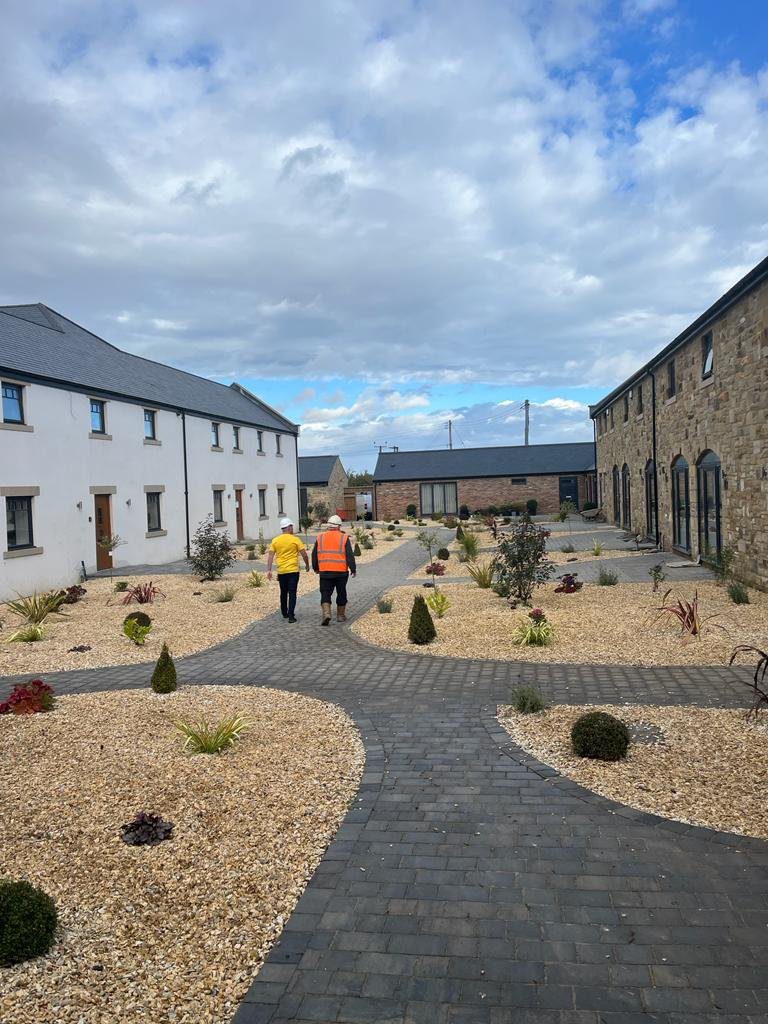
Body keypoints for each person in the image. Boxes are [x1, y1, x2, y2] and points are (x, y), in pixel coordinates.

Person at [312, 514, 356, 626]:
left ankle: (326, 613)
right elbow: (349, 555)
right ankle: (340, 616)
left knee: (325, 592)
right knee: (341, 592)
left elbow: (314, 554)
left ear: (329, 526)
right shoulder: (344, 538)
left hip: (325, 571)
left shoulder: (320, 537)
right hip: (341, 572)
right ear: (338, 526)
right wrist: (353, 569)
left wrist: (316, 568)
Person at [267, 518, 309, 623]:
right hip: (293, 570)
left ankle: (284, 612)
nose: (292, 528)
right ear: (289, 527)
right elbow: (304, 554)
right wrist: (307, 564)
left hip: (281, 571)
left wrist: (269, 570)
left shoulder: (275, 540)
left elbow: (270, 556)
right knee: (292, 592)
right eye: (292, 527)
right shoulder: (295, 540)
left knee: (283, 592)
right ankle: (291, 616)